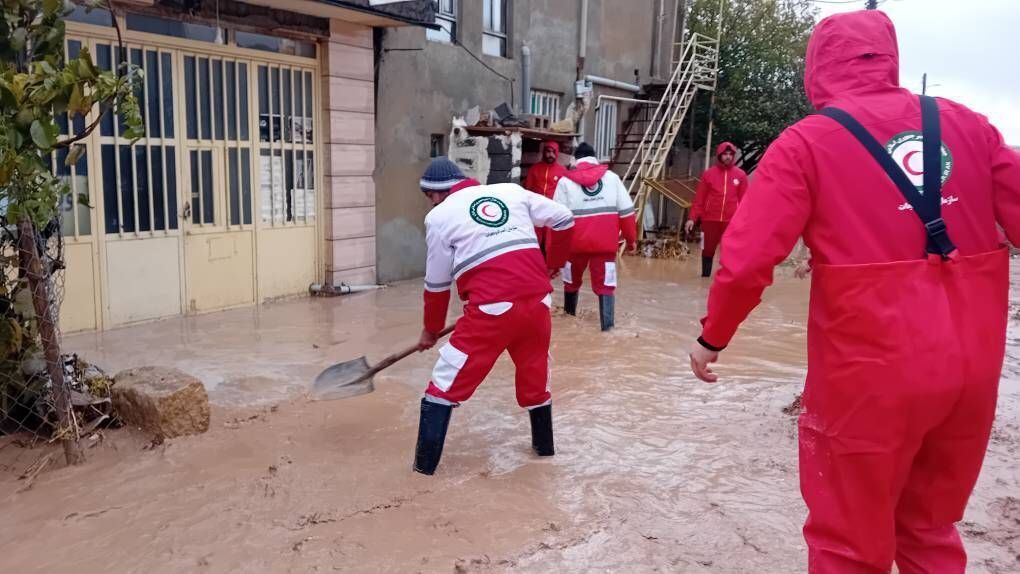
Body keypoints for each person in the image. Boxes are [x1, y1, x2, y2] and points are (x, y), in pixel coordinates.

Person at [688, 10, 1020, 573]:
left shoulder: (806, 144)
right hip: (972, 370)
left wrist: (712, 337)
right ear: (890, 58)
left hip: (870, 376)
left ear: (817, 68)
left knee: (848, 545)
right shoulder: (970, 124)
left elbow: (745, 263)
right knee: (931, 530)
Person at [414, 157, 575, 475]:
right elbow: (564, 219)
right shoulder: (512, 192)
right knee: (536, 379)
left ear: (435, 193)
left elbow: (436, 285)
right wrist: (553, 263)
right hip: (539, 302)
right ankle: (544, 457)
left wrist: (430, 330)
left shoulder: (439, 217)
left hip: (492, 311)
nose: (430, 202)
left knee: (444, 383)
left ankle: (422, 473)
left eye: (428, 196)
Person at [552, 143, 637, 331]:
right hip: (604, 245)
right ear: (595, 157)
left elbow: (556, 220)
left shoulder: (565, 182)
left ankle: (569, 322)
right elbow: (627, 213)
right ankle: (608, 330)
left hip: (574, 245)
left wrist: (555, 255)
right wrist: (631, 241)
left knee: (570, 282)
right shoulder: (612, 179)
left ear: (576, 158)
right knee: (606, 285)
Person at [685, 142, 749, 277]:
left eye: (730, 154)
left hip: (731, 222)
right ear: (719, 156)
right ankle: (705, 278)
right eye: (725, 154)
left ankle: (726, 281)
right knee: (707, 250)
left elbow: (745, 202)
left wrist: (747, 222)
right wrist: (692, 218)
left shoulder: (741, 175)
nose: (727, 157)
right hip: (709, 220)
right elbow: (699, 199)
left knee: (731, 251)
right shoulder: (708, 175)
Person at [524, 141, 568, 250]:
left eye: (553, 152)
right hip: (536, 209)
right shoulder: (534, 169)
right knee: (535, 237)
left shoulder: (562, 171)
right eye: (548, 152)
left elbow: (566, 192)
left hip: (553, 210)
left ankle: (550, 264)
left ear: (557, 153)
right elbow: (528, 189)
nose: (550, 155)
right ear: (544, 152)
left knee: (551, 239)